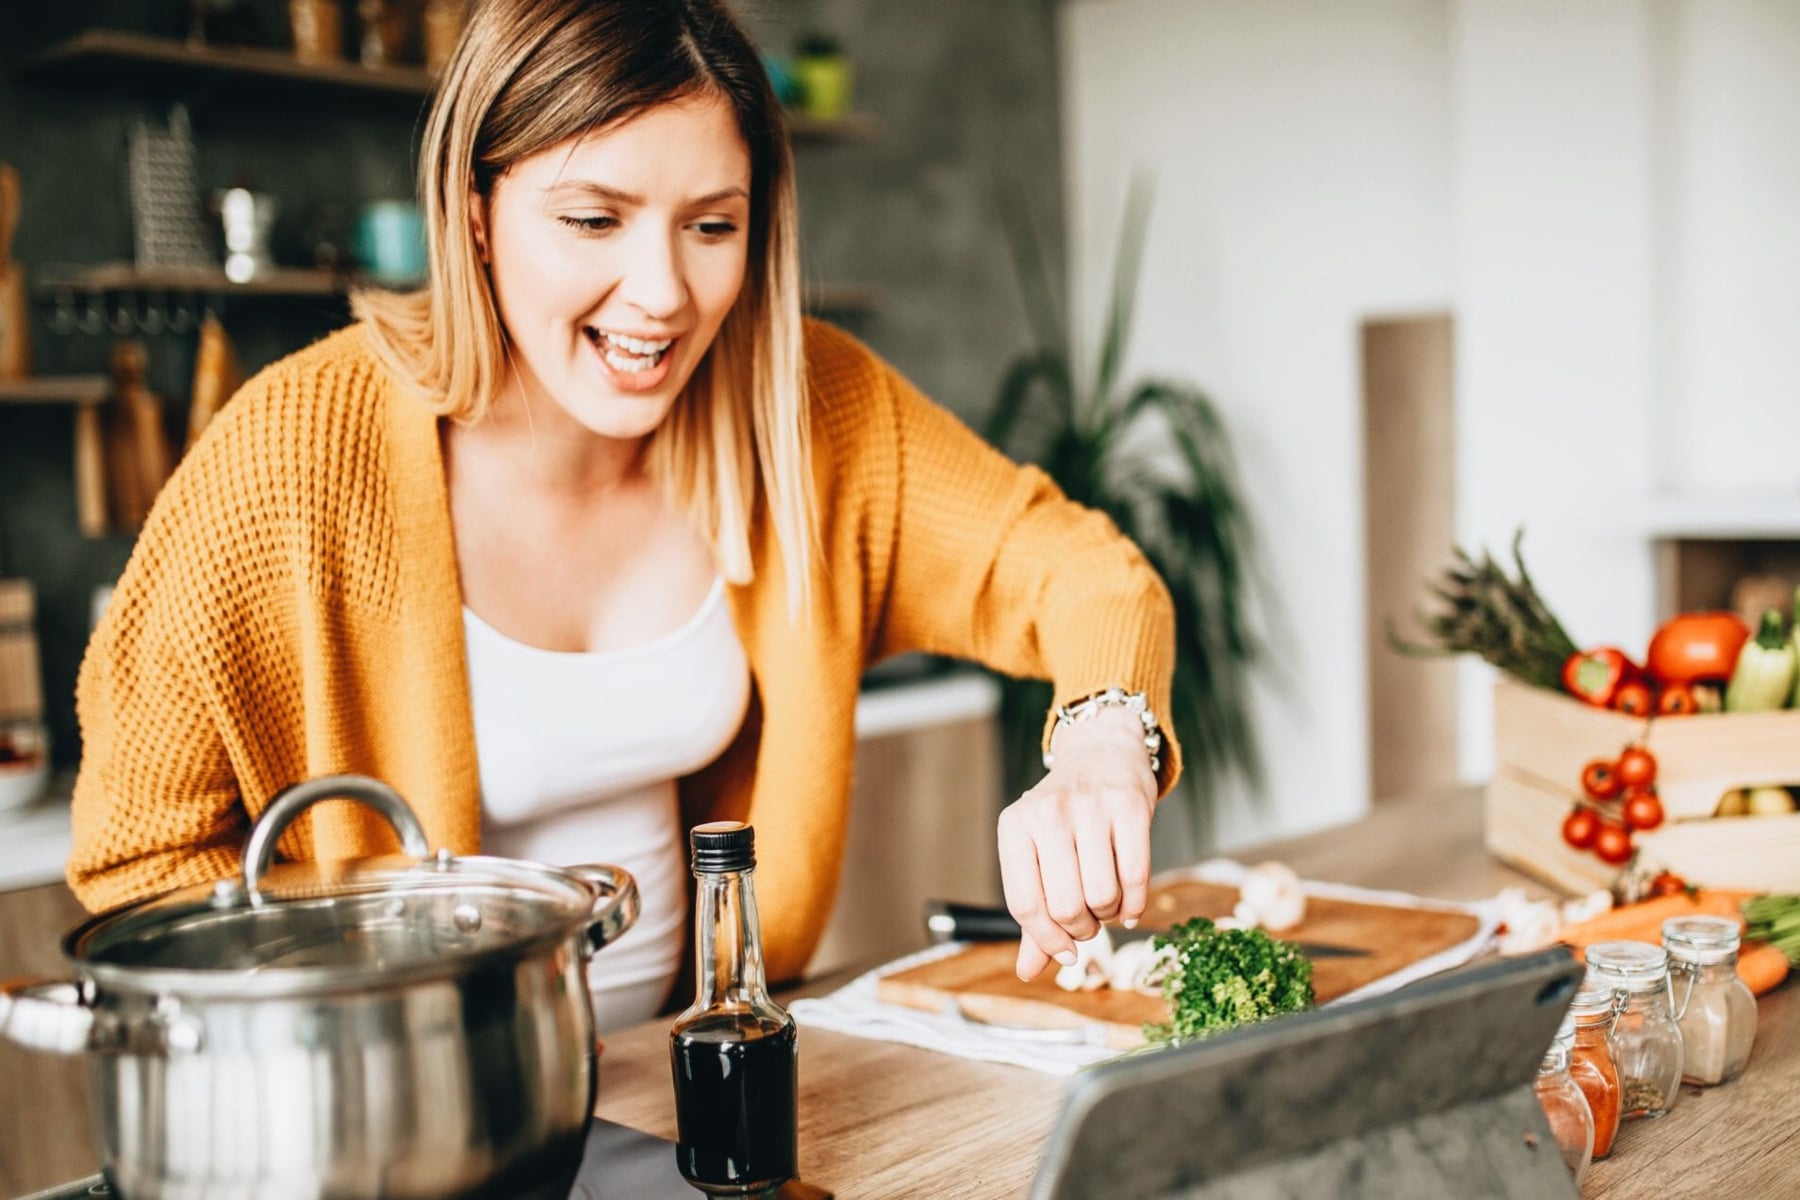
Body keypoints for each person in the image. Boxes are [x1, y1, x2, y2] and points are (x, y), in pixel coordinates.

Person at [67, 0, 1180, 1032]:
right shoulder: (292, 455)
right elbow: (139, 865)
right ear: (478, 214)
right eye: (594, 218)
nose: (661, 292)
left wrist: (1100, 741)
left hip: (691, 1100)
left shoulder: (803, 407)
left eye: (711, 225)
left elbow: (1080, 574)